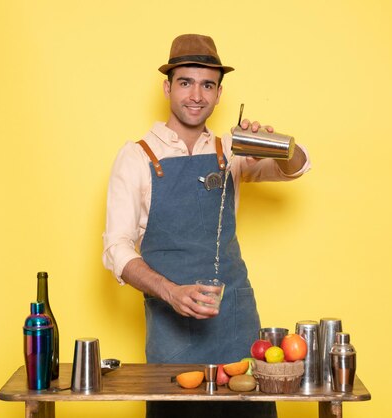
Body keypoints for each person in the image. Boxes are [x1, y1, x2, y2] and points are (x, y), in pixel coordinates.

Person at [103, 34, 310, 418]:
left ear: (218, 94)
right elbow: (116, 248)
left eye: (207, 85)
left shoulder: (231, 149)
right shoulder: (135, 158)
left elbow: (297, 168)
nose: (196, 95)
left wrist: (277, 143)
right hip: (172, 337)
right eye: (185, 82)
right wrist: (170, 291)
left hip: (236, 326)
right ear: (167, 87)